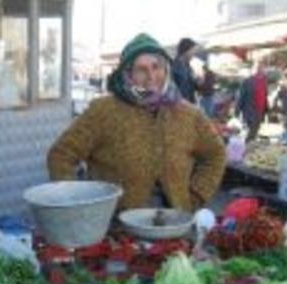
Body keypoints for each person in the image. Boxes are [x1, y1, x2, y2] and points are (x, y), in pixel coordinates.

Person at [47, 33, 226, 212]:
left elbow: (216, 154)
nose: (151, 76)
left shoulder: (189, 114)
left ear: (166, 69)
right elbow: (61, 154)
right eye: (141, 69)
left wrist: (196, 195)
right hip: (115, 228)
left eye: (156, 67)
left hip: (174, 226)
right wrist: (77, 203)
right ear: (128, 74)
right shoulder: (103, 111)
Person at [235, 62, 268, 142]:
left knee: (255, 130)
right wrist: (237, 110)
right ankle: (244, 148)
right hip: (249, 110)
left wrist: (266, 108)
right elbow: (241, 96)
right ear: (253, 69)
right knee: (248, 131)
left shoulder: (263, 81)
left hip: (260, 110)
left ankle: (251, 148)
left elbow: (265, 95)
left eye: (261, 68)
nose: (259, 70)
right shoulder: (248, 81)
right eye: (258, 68)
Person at [172, 38, 198, 104]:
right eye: (193, 50)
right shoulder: (173, 67)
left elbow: (191, 87)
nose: (194, 54)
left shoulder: (189, 68)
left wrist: (198, 83)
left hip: (189, 105)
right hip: (178, 107)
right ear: (186, 50)